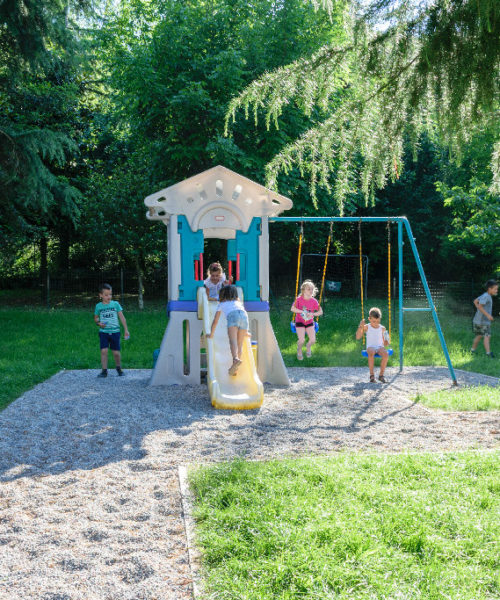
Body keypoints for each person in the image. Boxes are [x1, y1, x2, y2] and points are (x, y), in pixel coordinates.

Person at [208, 285, 250, 376]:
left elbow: (215, 321)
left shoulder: (221, 304)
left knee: (233, 341)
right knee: (240, 344)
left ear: (222, 295)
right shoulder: (238, 302)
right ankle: (235, 369)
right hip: (244, 317)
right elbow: (242, 314)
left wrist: (211, 333)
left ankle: (235, 359)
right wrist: (246, 332)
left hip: (233, 316)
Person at [94, 283, 130, 378]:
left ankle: (119, 368)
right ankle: (104, 371)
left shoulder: (115, 304)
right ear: (101, 295)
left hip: (115, 332)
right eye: (106, 295)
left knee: (116, 353)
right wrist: (99, 323)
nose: (109, 297)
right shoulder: (98, 306)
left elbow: (122, 317)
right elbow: (96, 318)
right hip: (103, 333)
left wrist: (126, 329)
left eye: (110, 294)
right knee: (104, 351)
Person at [291, 279, 323, 360]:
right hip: (300, 322)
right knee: (301, 340)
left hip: (309, 322)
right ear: (303, 290)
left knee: (313, 340)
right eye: (308, 289)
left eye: (312, 289)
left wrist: (313, 314)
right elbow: (292, 309)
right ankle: (299, 349)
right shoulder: (298, 299)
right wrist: (302, 311)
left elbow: (320, 312)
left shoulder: (314, 301)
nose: (311, 291)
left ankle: (308, 346)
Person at [356, 307, 390, 383]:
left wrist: (386, 341)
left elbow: (387, 341)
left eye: (378, 321)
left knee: (386, 354)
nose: (376, 323)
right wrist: (360, 326)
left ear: (380, 319)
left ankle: (381, 375)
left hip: (380, 347)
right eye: (374, 321)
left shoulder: (383, 328)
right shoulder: (367, 327)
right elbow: (358, 337)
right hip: (370, 347)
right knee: (371, 352)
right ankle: (372, 376)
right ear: (369, 319)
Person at [471, 279, 498, 358]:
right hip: (483, 322)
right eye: (495, 289)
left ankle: (472, 350)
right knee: (487, 336)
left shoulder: (485, 295)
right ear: (489, 289)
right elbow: (480, 306)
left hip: (477, 321)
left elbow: (475, 301)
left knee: (479, 336)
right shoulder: (486, 296)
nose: (496, 291)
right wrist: (488, 315)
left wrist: (479, 310)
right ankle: (488, 354)